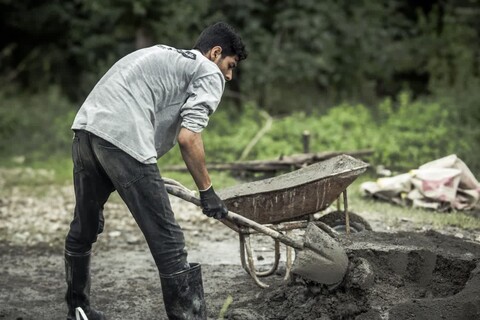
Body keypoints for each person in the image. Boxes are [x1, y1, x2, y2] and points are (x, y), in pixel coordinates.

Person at [64, 22, 247, 320]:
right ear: (215, 53)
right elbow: (189, 137)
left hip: (85, 130)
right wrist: (207, 191)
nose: (229, 75)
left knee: (83, 228)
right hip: (124, 138)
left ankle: (77, 309)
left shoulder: (165, 54)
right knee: (170, 243)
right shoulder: (208, 71)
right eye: (231, 64)